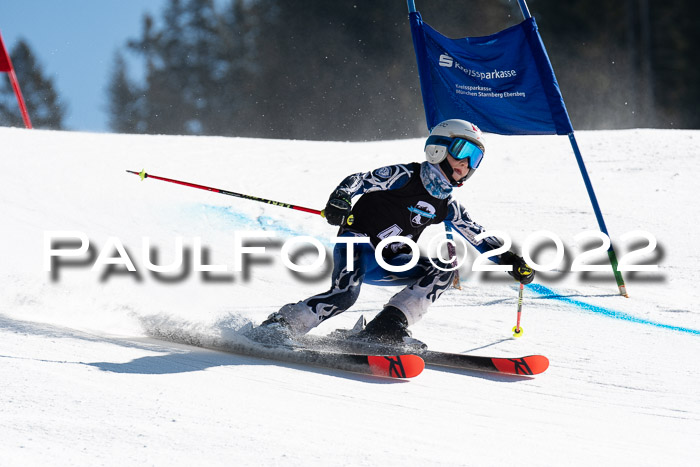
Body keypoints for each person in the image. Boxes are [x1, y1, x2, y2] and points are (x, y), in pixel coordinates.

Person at [256, 119, 534, 345]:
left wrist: (511, 260)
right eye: (462, 150)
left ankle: (387, 326)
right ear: (439, 147)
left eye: (476, 158)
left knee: (445, 270)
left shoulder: (447, 204)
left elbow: (478, 235)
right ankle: (280, 327)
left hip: (392, 260)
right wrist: (341, 199)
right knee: (344, 296)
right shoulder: (404, 176)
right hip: (358, 245)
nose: (466, 163)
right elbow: (359, 180)